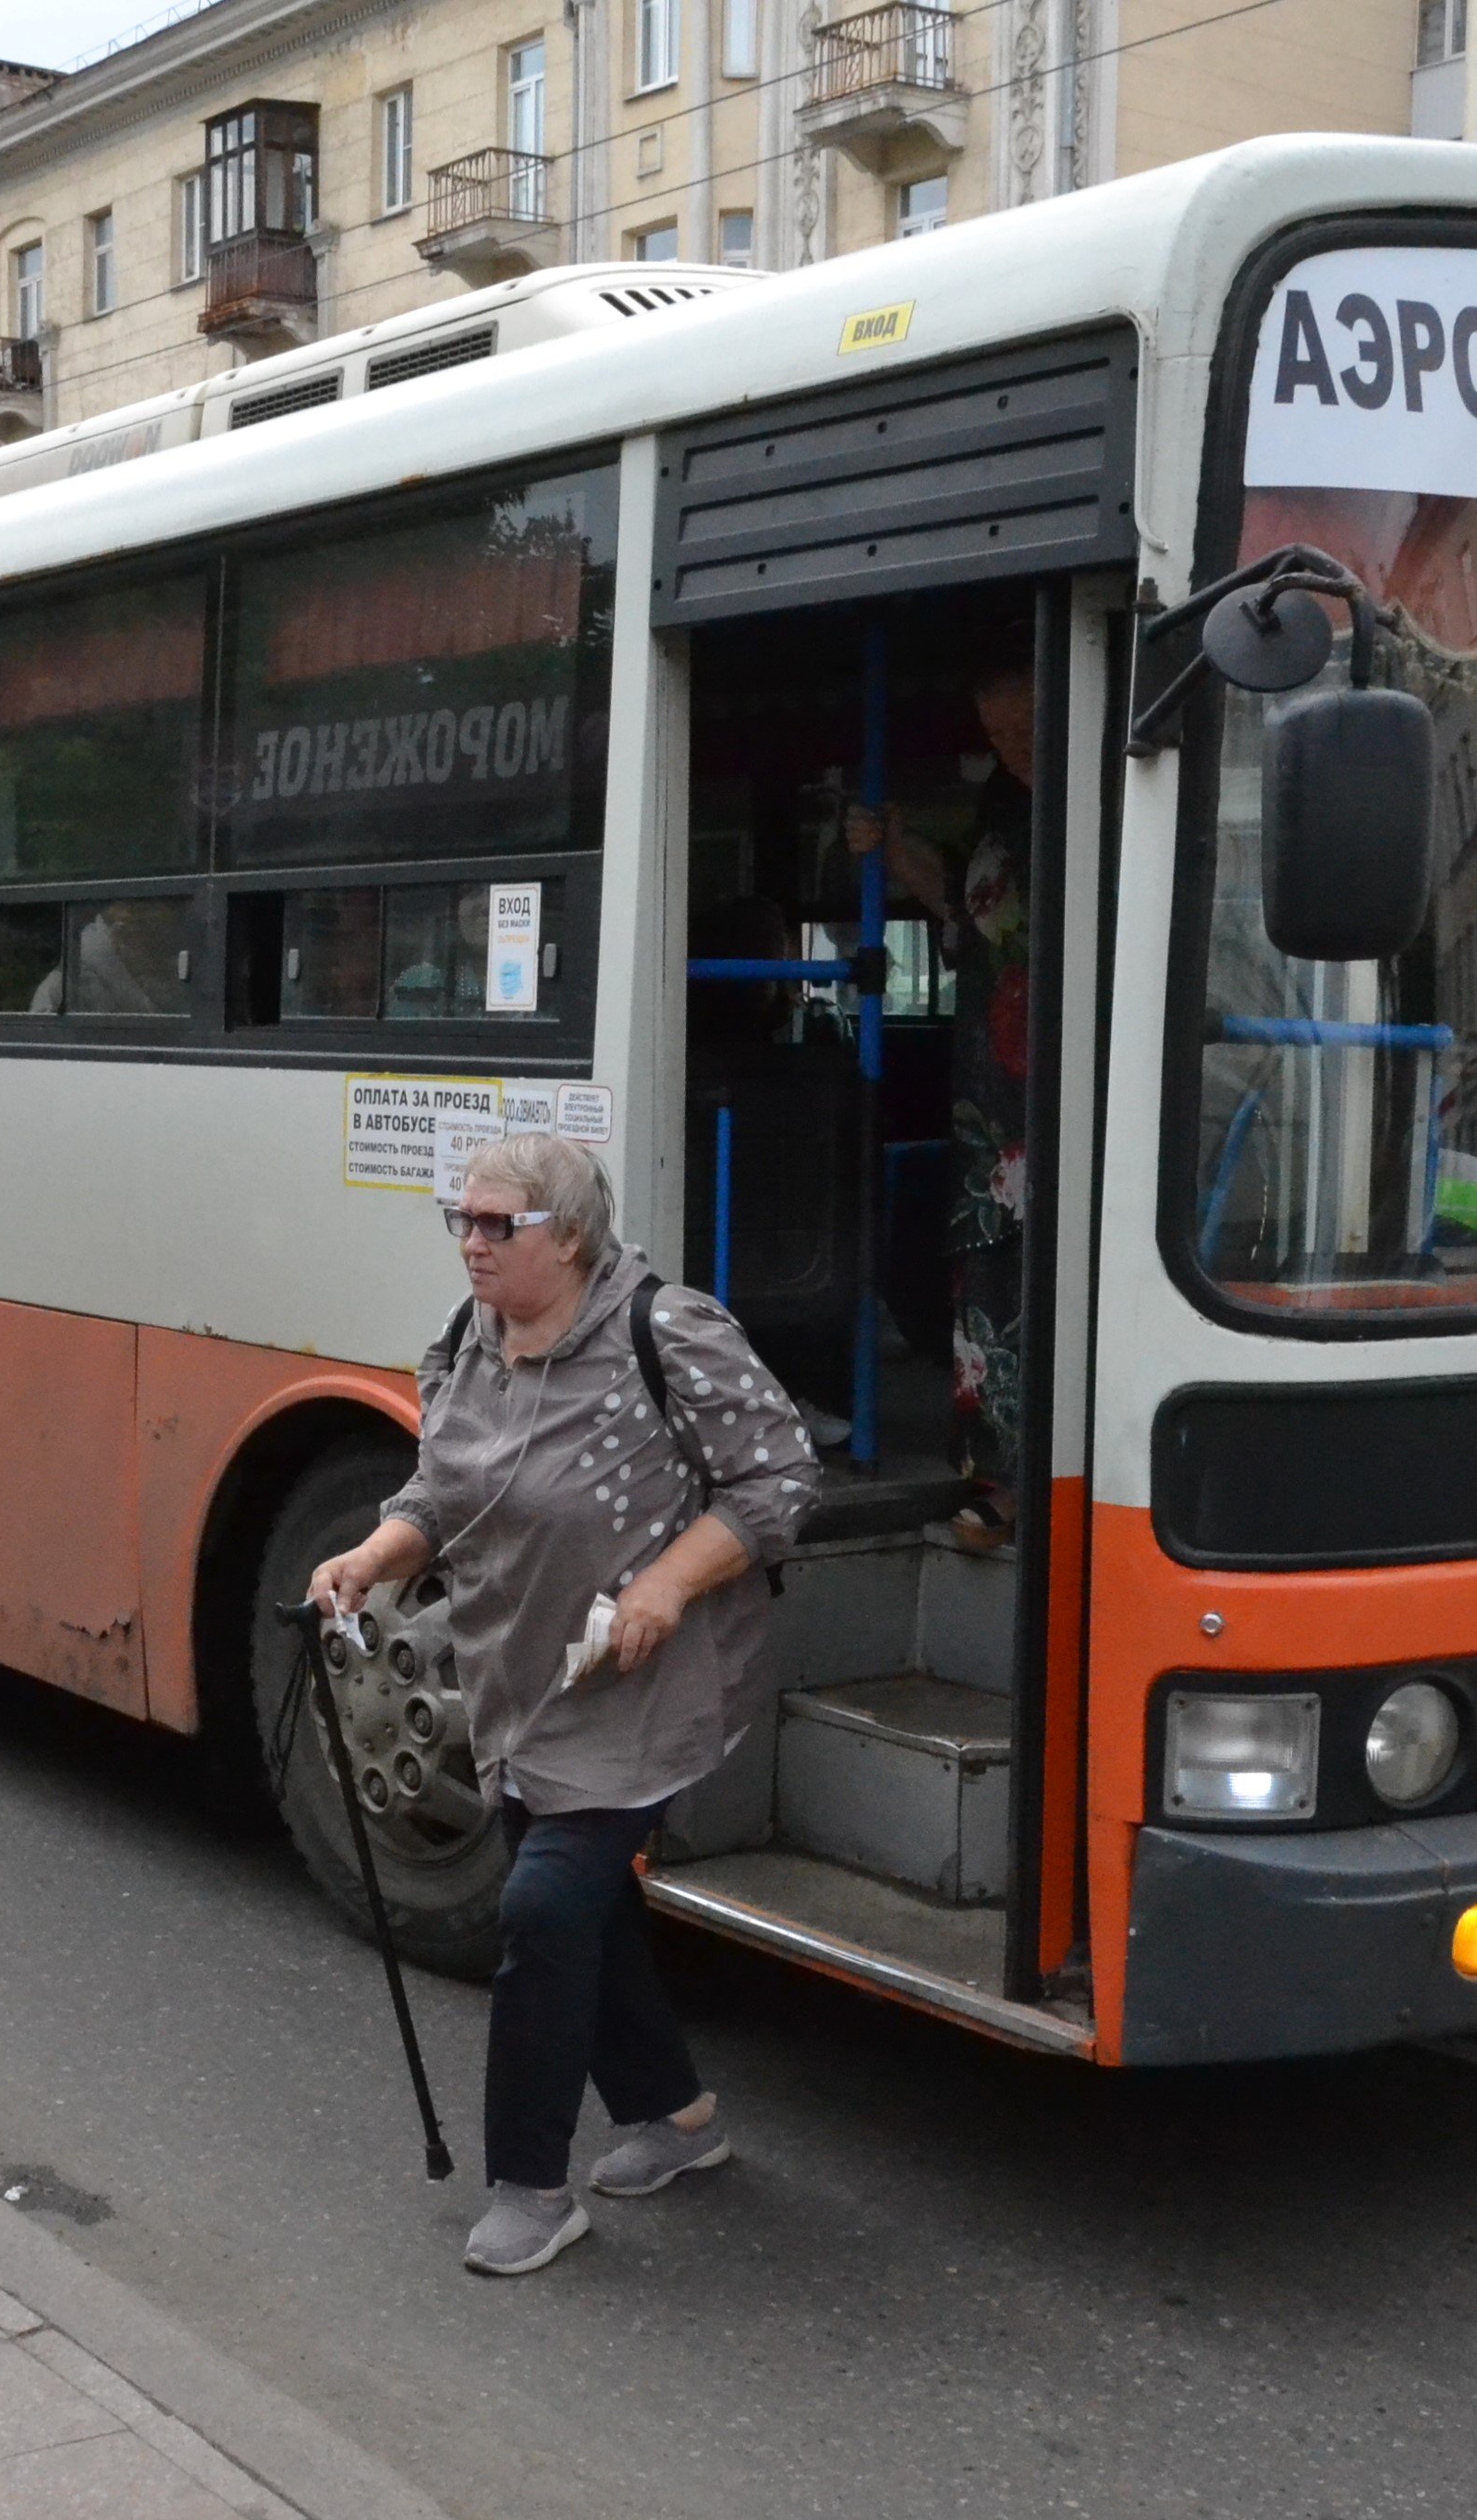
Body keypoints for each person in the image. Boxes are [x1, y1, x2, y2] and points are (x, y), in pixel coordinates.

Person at [310, 1132, 818, 2276]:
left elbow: (779, 1478)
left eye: (500, 1226)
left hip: (646, 1681)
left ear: (573, 1237)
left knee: (541, 1910)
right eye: (464, 1222)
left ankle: (531, 2190)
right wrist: (371, 1556)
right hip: (517, 1677)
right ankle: (676, 2120)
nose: (472, 1245)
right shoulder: (467, 1343)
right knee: (584, 1904)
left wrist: (668, 1582)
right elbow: (440, 1493)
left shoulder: (666, 1331)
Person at [846, 657, 1038, 1548]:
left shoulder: (1100, 799)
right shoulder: (1006, 803)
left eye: (1027, 731)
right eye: (997, 735)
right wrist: (888, 843)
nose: (1012, 749)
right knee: (989, 1274)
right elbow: (965, 913)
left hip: (1061, 1078)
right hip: (990, 1091)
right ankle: (997, 1478)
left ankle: (1051, 1479)